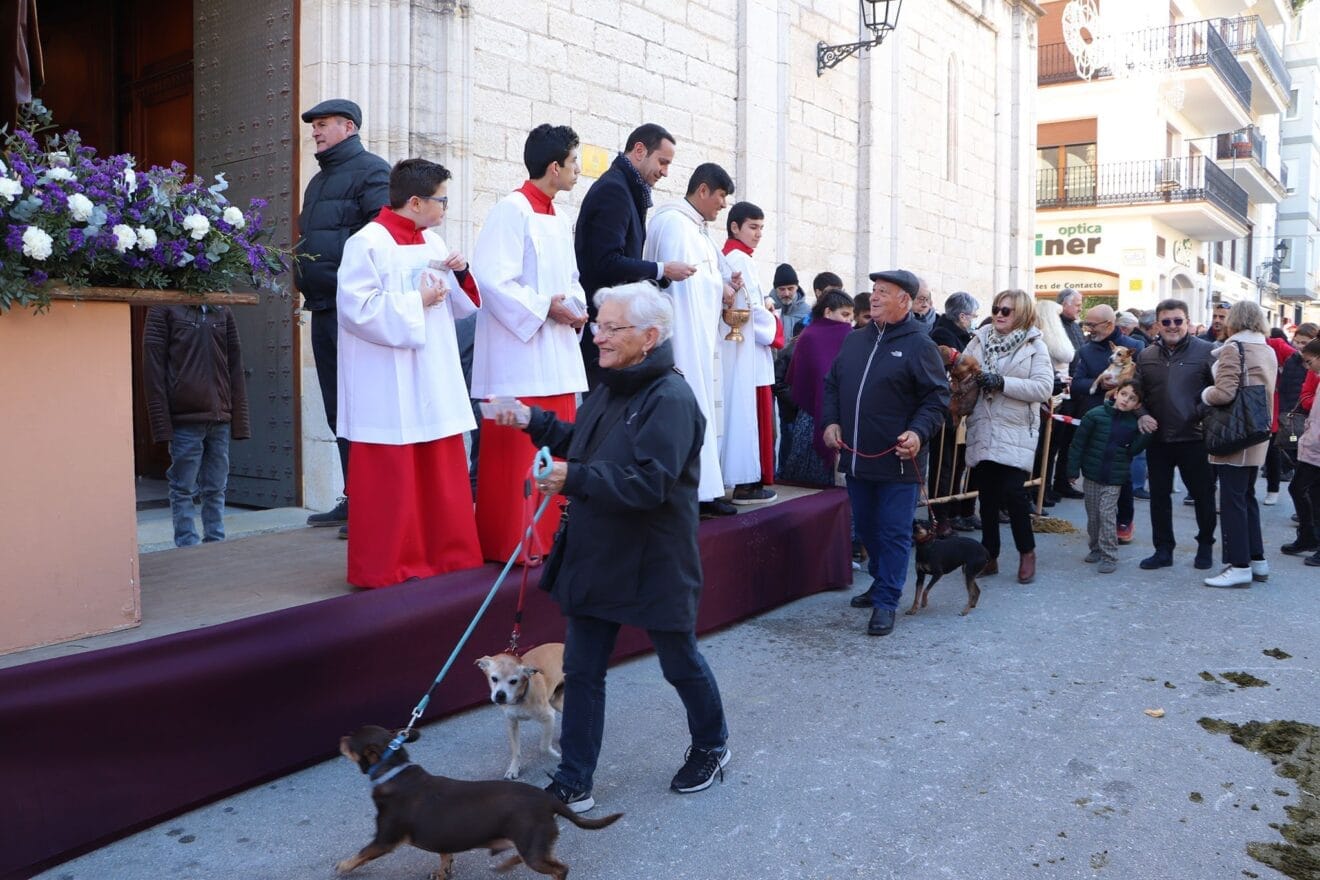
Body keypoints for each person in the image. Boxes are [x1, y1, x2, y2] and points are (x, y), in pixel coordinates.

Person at [495, 283, 730, 812]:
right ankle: (575, 780)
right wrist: (532, 420)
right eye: (599, 324)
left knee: (679, 662)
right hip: (598, 551)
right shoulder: (613, 383)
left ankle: (713, 744)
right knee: (582, 671)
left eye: (611, 327)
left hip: (654, 558)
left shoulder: (671, 398)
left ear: (649, 337)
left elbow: (648, 483)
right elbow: (586, 443)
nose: (596, 335)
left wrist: (571, 477)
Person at [336, 157, 483, 588]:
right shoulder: (366, 244)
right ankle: (389, 564)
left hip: (432, 372)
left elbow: (462, 305)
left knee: (439, 468)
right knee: (392, 476)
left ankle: (447, 556)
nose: (445, 209)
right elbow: (355, 311)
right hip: (385, 379)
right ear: (415, 202)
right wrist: (413, 301)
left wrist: (461, 271)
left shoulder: (434, 244)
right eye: (441, 200)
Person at [470, 124, 589, 564]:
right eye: (574, 162)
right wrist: (544, 308)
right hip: (518, 358)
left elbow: (572, 280)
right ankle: (514, 543)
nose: (578, 171)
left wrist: (576, 308)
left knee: (556, 449)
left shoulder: (557, 217)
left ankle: (553, 541)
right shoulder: (511, 210)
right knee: (518, 455)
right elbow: (492, 279)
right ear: (554, 166)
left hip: (555, 353)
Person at [822, 269, 949, 637]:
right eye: (873, 290)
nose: (873, 297)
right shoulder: (854, 341)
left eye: (883, 292)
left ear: (904, 301)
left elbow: (936, 398)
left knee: (893, 532)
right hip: (856, 457)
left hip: (898, 460)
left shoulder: (920, 344)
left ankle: (887, 601)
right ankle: (881, 582)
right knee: (866, 528)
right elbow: (832, 385)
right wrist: (830, 422)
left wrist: (918, 432)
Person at [296, 98, 391, 533]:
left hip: (354, 312)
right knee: (338, 408)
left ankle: (374, 503)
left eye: (322, 124)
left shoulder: (373, 171)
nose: (314, 131)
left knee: (363, 407)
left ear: (348, 126)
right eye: (313, 125)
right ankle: (354, 497)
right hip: (322, 308)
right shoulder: (318, 183)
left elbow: (381, 237)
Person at [643, 162, 738, 516]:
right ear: (702, 190)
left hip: (699, 335)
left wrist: (725, 286)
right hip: (681, 337)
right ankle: (690, 493)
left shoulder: (694, 228)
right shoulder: (673, 224)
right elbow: (678, 284)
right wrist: (718, 287)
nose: (723, 205)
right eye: (721, 196)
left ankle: (704, 489)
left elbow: (706, 278)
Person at [574, 123, 695, 389]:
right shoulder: (614, 190)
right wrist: (662, 270)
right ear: (640, 150)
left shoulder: (626, 188)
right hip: (605, 327)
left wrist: (661, 277)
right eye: (662, 162)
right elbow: (607, 262)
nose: (665, 172)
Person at [962, 289, 1055, 585]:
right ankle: (989, 554)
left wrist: (1002, 382)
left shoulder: (1033, 345)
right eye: (996, 308)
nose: (999, 315)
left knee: (1014, 494)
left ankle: (1027, 552)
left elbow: (1043, 388)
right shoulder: (979, 338)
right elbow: (961, 371)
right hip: (984, 425)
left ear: (1023, 314)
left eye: (1007, 311)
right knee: (987, 495)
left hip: (1015, 428)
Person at [142, 303, 251, 547]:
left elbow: (235, 365)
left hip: (220, 417)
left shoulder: (222, 310)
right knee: (183, 487)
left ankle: (216, 541)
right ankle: (187, 544)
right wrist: (161, 425)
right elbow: (153, 370)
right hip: (185, 419)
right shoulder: (162, 309)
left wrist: (240, 420)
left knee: (216, 486)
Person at [1133, 298, 1217, 571]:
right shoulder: (1145, 356)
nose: (1172, 326)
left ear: (1188, 322)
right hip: (1158, 438)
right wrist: (1141, 413)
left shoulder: (1208, 351)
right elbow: (1136, 393)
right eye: (1166, 321)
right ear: (1157, 324)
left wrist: (1200, 413)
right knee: (1159, 497)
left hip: (1194, 437)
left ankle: (1205, 545)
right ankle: (1163, 550)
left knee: (1202, 495)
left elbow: (1221, 392)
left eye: (1178, 321)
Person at [1201, 301, 1276, 588]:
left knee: (1232, 500)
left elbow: (1223, 393)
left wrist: (1205, 394)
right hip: (1257, 429)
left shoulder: (1235, 348)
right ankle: (1256, 560)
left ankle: (1239, 565)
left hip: (1236, 432)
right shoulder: (1266, 348)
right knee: (1246, 498)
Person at [721, 200, 779, 504]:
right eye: (752, 227)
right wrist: (776, 325)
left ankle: (752, 480)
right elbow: (748, 310)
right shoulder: (736, 258)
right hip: (748, 352)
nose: (758, 234)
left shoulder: (740, 257)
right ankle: (749, 483)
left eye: (761, 228)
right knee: (753, 417)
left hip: (750, 351)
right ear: (735, 227)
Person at [1072, 304, 1145, 543]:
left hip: (1124, 418)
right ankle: (1099, 523)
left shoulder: (1135, 347)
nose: (1089, 329)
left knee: (1120, 472)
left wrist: (1130, 398)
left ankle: (1124, 519)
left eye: (1092, 325)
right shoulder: (1086, 350)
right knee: (1094, 471)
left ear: (1110, 325)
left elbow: (1142, 383)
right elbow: (1077, 383)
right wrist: (1100, 385)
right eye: (1087, 325)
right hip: (1095, 414)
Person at [1066, 380, 1151, 574]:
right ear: (1116, 394)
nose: (1126, 400)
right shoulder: (1094, 416)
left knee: (1107, 514)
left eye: (1132, 399)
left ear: (1137, 405)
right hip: (1092, 474)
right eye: (1124, 395)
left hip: (1115, 478)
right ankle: (1095, 548)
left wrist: (1146, 435)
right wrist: (1072, 470)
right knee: (1093, 515)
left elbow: (1134, 450)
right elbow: (1078, 444)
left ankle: (1109, 555)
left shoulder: (1133, 424)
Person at [780, 289, 854, 486]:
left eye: (851, 317)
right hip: (812, 416)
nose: (849, 322)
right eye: (845, 315)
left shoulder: (847, 337)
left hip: (842, 413)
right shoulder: (810, 336)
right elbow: (807, 378)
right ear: (828, 312)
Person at [928, 291, 981, 532]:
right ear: (961, 316)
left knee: (958, 463)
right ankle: (941, 515)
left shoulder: (962, 334)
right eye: (972, 316)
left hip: (960, 410)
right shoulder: (943, 334)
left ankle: (955, 509)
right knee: (944, 465)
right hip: (947, 410)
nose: (973, 320)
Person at [1031, 298, 1077, 510]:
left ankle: (1044, 488)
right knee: (1044, 449)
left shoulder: (1053, 334)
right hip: (1048, 398)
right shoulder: (1044, 336)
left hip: (1058, 397)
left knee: (1051, 448)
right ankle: (1038, 490)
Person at [1283, 338, 1320, 565]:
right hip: (1313, 446)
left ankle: (1310, 537)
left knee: (1299, 488)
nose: (1308, 367)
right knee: (1312, 493)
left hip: (1316, 448)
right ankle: (1309, 537)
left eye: (1309, 362)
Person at [1049, 288, 1086, 501]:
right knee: (1054, 442)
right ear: (1064, 304)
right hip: (1061, 391)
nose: (1080, 307)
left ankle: (1062, 482)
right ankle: (1045, 486)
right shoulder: (1054, 326)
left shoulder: (1076, 327)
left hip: (1076, 391)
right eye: (1077, 303)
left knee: (1068, 443)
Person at [1262, 327, 1297, 505]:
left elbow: (1297, 358)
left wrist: (1283, 376)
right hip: (1250, 403)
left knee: (1271, 451)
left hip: (1272, 403)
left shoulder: (1274, 344)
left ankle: (1273, 489)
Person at [772, 263, 810, 338]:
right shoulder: (766, 308)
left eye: (790, 288)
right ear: (776, 289)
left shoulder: (808, 312)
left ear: (797, 287)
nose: (786, 293)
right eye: (782, 289)